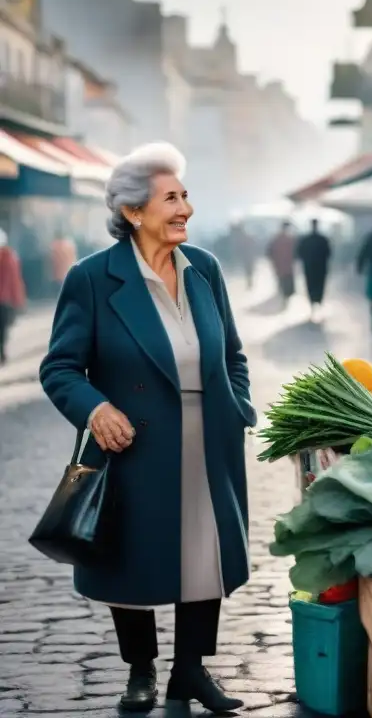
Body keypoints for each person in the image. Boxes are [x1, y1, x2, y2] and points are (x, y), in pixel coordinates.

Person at [38, 142, 255, 714]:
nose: (185, 207)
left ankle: (191, 671)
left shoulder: (204, 268)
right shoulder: (92, 279)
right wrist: (95, 408)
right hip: (132, 444)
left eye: (185, 195)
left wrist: (240, 407)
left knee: (203, 551)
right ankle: (141, 670)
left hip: (207, 438)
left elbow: (232, 353)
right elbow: (59, 367)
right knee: (132, 557)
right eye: (171, 198)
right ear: (133, 212)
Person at [0, 227, 27, 364]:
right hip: (5, 300)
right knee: (3, 328)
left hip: (4, 300)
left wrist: (18, 300)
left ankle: (2, 352)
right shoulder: (10, 257)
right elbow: (15, 281)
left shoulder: (9, 257)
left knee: (3, 328)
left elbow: (14, 281)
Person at [297, 218, 333, 321]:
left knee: (310, 285)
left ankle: (312, 304)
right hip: (320, 268)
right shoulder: (323, 239)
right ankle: (318, 303)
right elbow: (328, 253)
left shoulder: (306, 240)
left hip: (309, 267)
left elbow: (300, 253)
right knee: (320, 285)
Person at [266, 221, 296, 303]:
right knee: (285, 279)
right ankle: (284, 295)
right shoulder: (289, 239)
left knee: (282, 279)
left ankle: (283, 294)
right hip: (284, 264)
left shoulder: (278, 239)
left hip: (281, 264)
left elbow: (269, 252)